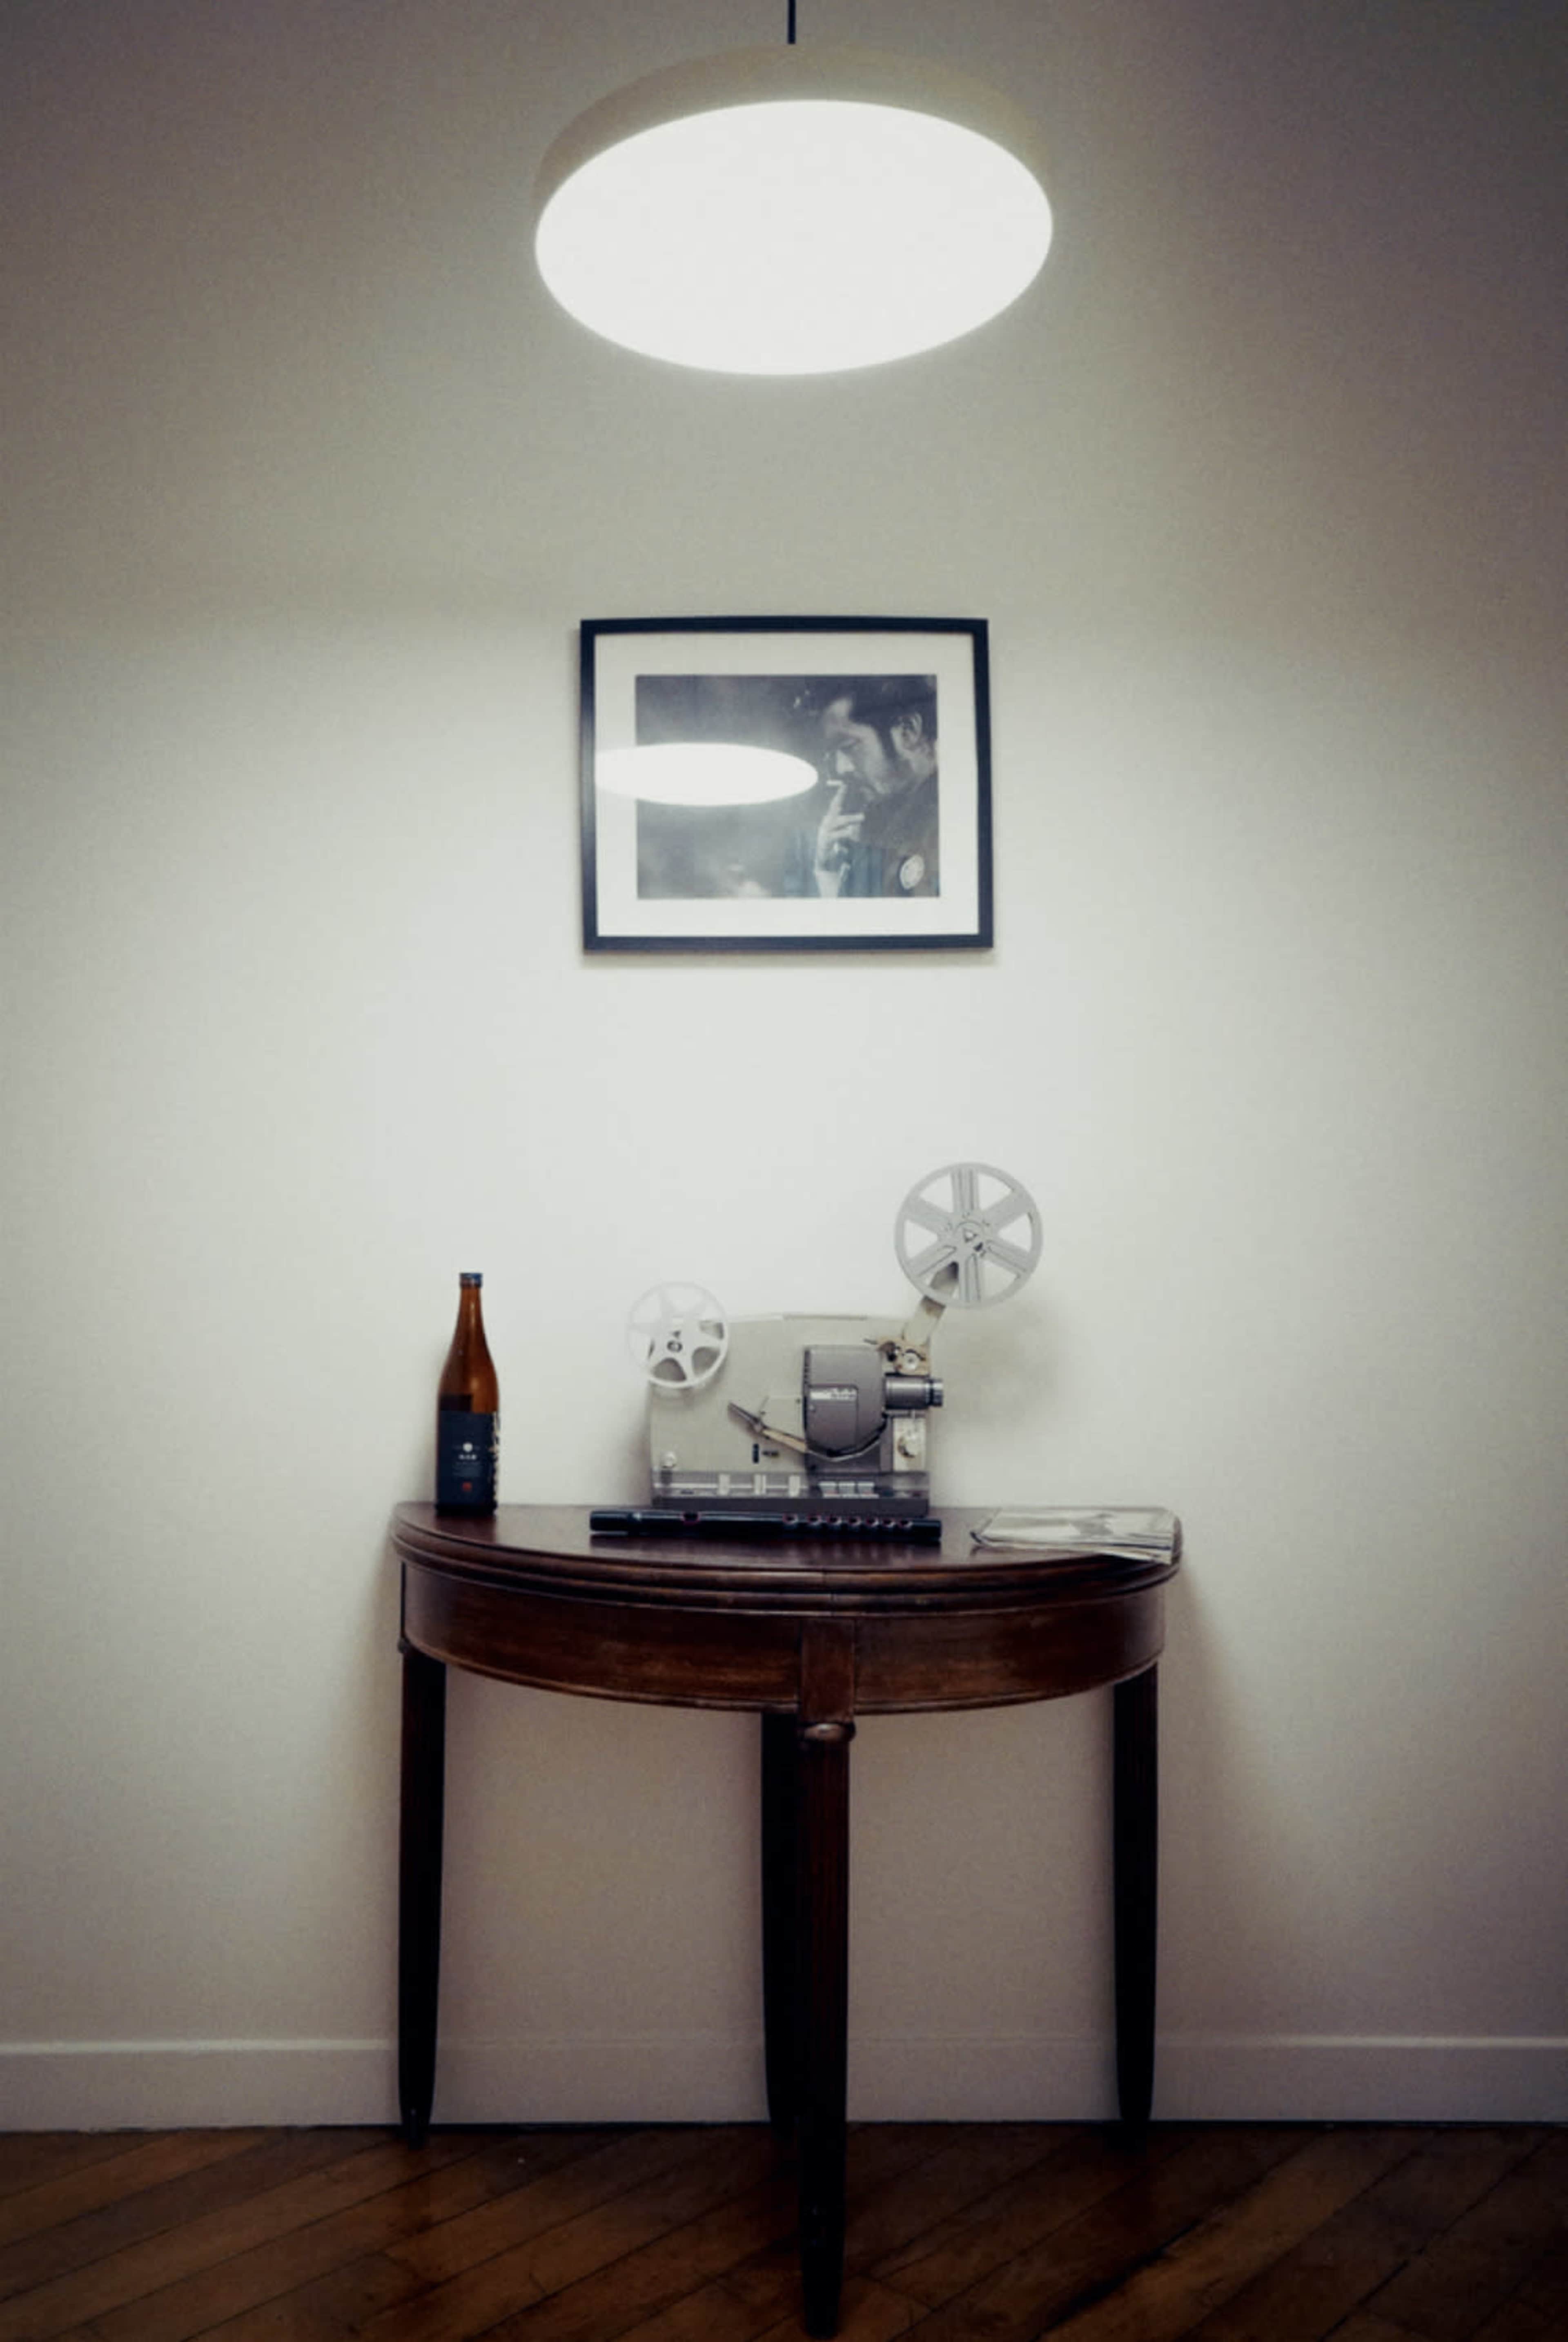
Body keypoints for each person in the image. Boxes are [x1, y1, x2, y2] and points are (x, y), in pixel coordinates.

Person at [809, 676, 939, 898]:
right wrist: (827, 869)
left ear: (908, 731)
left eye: (849, 747)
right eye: (834, 754)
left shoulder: (944, 825)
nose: (841, 768)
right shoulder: (880, 824)